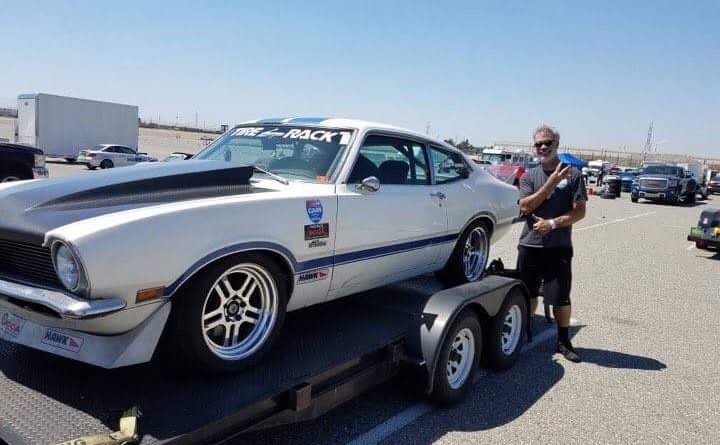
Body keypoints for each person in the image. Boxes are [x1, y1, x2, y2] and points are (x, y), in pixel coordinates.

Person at [517, 125, 587, 362]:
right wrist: (552, 182)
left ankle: (563, 340)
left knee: (560, 298)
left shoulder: (575, 175)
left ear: (557, 144)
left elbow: (579, 212)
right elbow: (525, 206)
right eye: (538, 144)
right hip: (530, 246)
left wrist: (553, 224)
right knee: (527, 293)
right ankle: (524, 332)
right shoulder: (528, 176)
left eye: (548, 142)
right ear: (533, 147)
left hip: (558, 247)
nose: (543, 147)